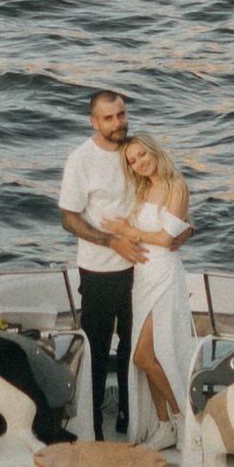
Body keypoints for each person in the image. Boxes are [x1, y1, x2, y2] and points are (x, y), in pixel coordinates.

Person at [57, 88, 141, 438]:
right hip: (99, 271)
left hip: (140, 266)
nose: (117, 123)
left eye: (121, 115)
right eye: (109, 118)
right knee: (96, 347)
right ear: (94, 122)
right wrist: (111, 242)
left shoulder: (137, 152)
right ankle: (93, 425)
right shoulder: (81, 159)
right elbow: (68, 218)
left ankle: (128, 412)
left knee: (133, 346)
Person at [122, 136, 196, 440]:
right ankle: (164, 425)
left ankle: (183, 419)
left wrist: (129, 231)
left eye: (142, 154)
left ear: (154, 150)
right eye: (133, 161)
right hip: (141, 277)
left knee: (143, 356)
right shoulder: (142, 190)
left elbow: (166, 239)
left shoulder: (175, 185)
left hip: (164, 274)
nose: (140, 162)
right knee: (148, 355)